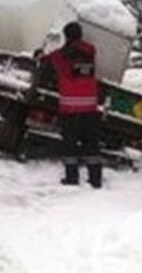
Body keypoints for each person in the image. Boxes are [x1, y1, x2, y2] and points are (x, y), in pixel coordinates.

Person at [39, 22, 102, 188]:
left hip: (70, 108)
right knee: (91, 145)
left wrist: (40, 55)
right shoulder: (90, 51)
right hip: (90, 108)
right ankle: (95, 179)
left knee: (70, 144)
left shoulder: (61, 55)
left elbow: (45, 60)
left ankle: (72, 177)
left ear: (66, 36)